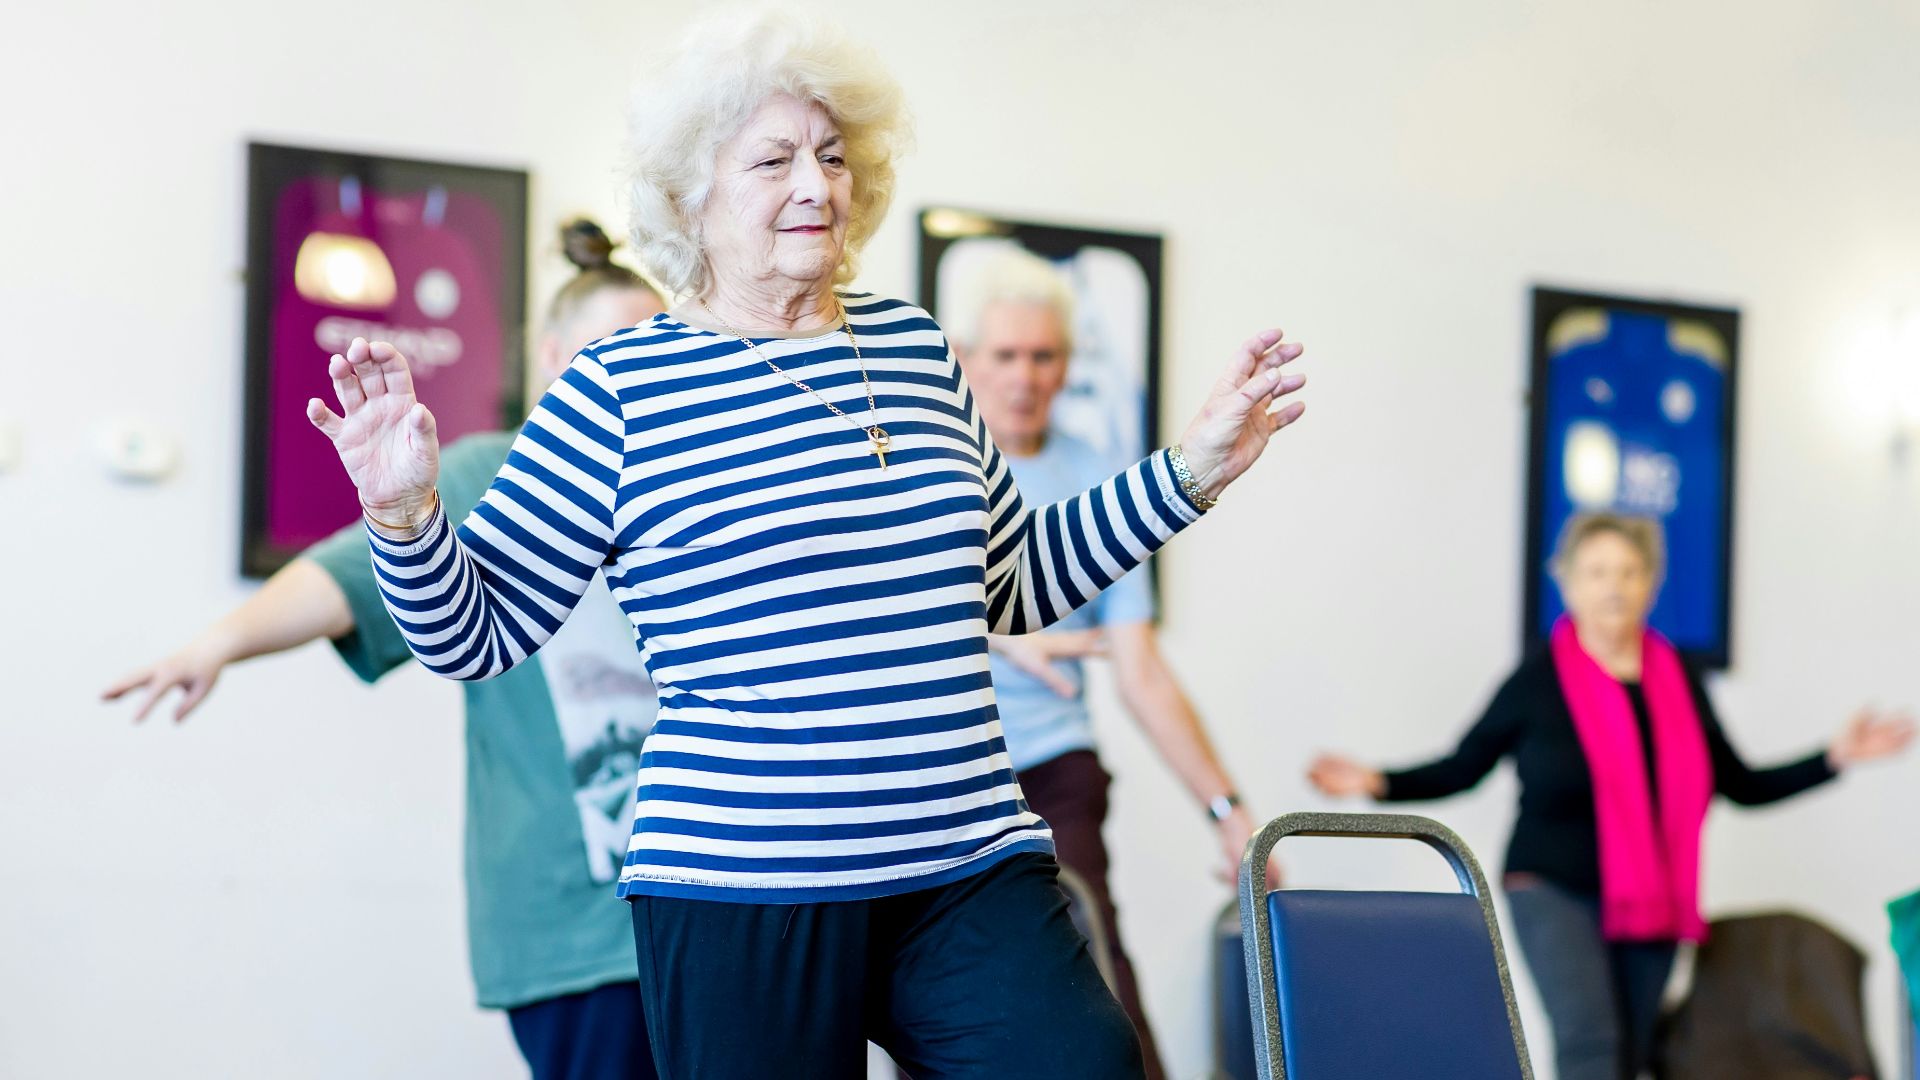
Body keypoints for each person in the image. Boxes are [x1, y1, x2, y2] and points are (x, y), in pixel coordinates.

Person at [303, 12, 1309, 1078]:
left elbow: (1010, 581)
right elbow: (477, 635)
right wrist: (406, 515)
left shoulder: (916, 349)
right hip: (744, 885)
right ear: (693, 195)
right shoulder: (618, 391)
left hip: (963, 861)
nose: (815, 187)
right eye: (773, 160)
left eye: (832, 157)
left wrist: (1189, 471)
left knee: (1081, 1062)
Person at [103, 219, 668, 1080]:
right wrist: (215, 644)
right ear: (554, 357)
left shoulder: (689, 486)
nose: (638, 371)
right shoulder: (493, 473)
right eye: (612, 346)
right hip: (577, 933)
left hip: (712, 904)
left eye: (656, 349)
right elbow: (338, 584)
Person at [1308, 511, 1913, 1080]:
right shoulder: (1539, 680)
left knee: (1633, 1052)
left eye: (1629, 571)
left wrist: (1834, 758)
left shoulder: (1679, 681)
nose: (1614, 587)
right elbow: (1466, 766)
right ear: (1567, 584)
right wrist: (1378, 781)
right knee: (1590, 1040)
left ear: (1651, 584)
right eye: (1596, 572)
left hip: (1652, 903)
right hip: (1550, 887)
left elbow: (1739, 783)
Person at [946, 248, 1266, 1080]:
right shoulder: (929, 461)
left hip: (1054, 772)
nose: (1023, 376)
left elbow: (1141, 672)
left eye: (1043, 356)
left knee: (1097, 994)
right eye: (1006, 355)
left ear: (1068, 364)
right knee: (942, 1011)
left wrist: (1227, 811)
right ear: (968, 359)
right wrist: (998, 633)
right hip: (937, 778)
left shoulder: (1095, 476)